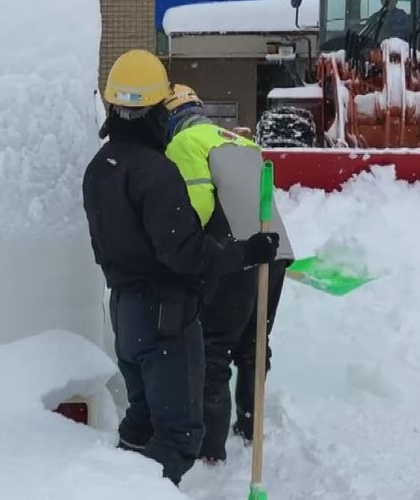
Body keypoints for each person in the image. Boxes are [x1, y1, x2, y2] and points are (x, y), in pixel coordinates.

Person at [82, 50, 280, 486]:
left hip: (126, 313)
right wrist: (248, 253)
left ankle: (102, 487)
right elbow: (185, 253)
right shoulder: (156, 171)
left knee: (142, 421)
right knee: (179, 435)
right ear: (156, 110)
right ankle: (130, 494)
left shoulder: (99, 169)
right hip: (164, 319)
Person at [161, 84, 294, 462]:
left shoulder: (184, 144)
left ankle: (210, 453)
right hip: (277, 250)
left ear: (170, 118)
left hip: (236, 256)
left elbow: (198, 206)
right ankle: (250, 429)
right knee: (254, 345)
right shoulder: (242, 143)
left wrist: (188, 254)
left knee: (214, 350)